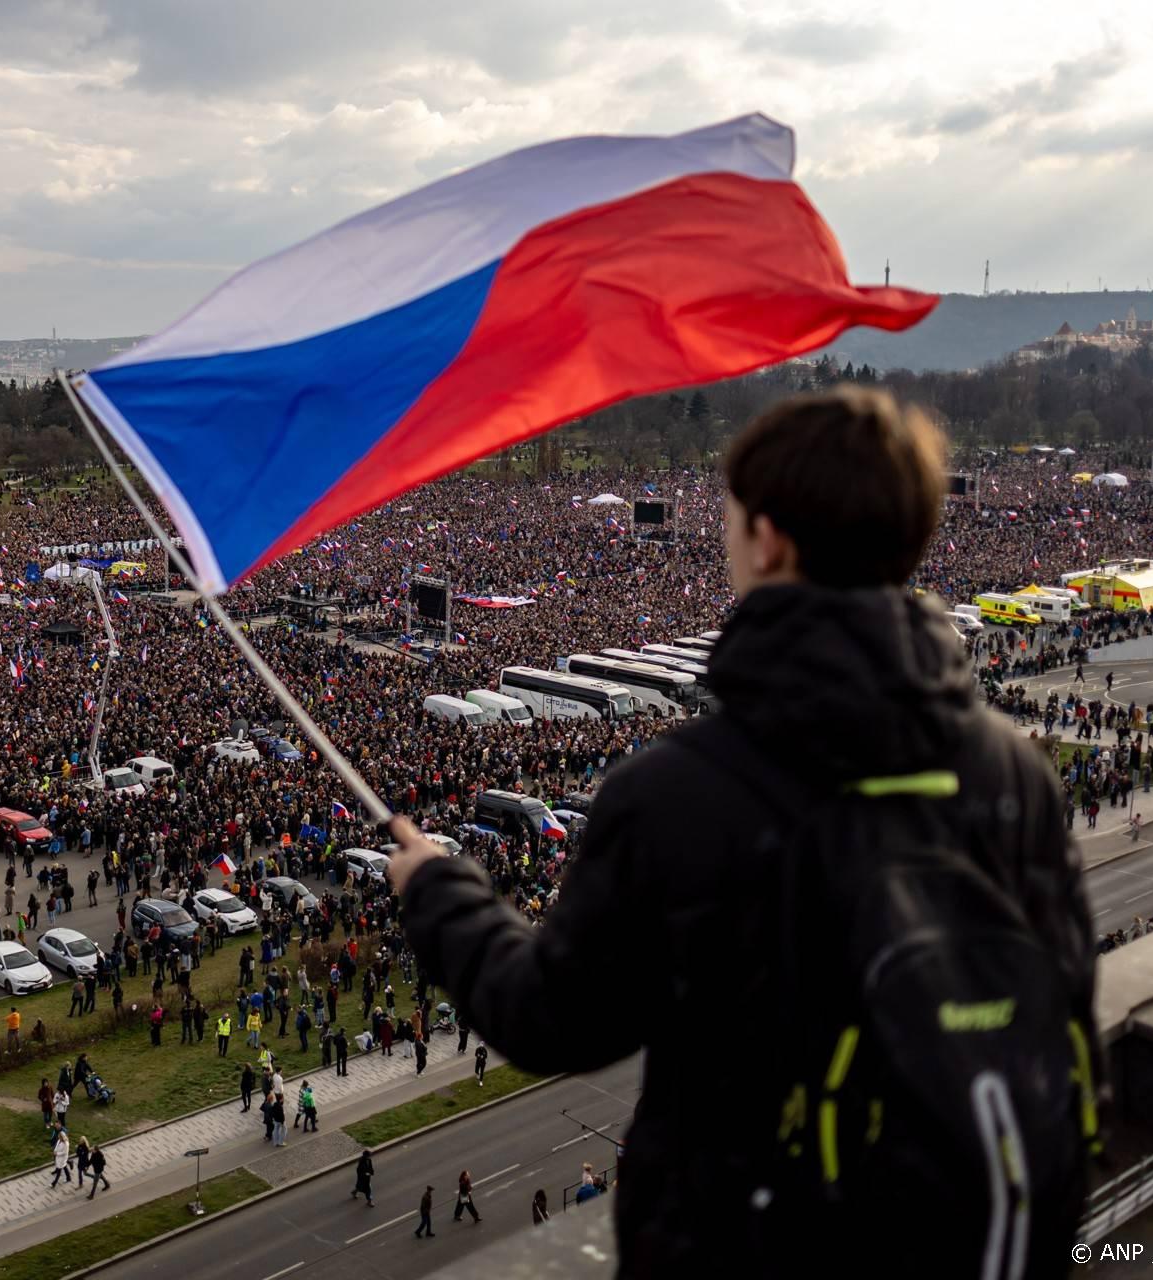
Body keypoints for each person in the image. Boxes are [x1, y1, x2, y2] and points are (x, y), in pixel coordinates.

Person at [387, 389, 1100, 1274]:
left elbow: (554, 1019)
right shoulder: (1011, 772)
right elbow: (1068, 997)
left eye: (729, 517)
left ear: (770, 539)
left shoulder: (680, 792)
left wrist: (440, 891)